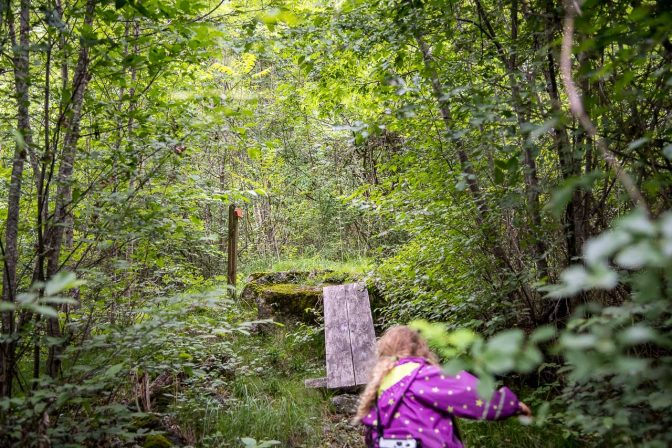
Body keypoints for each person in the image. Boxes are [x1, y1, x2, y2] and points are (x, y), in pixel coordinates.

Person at [355, 325, 532, 448]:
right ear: (420, 348)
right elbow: (471, 393)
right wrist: (510, 405)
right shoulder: (423, 374)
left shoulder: (381, 382)